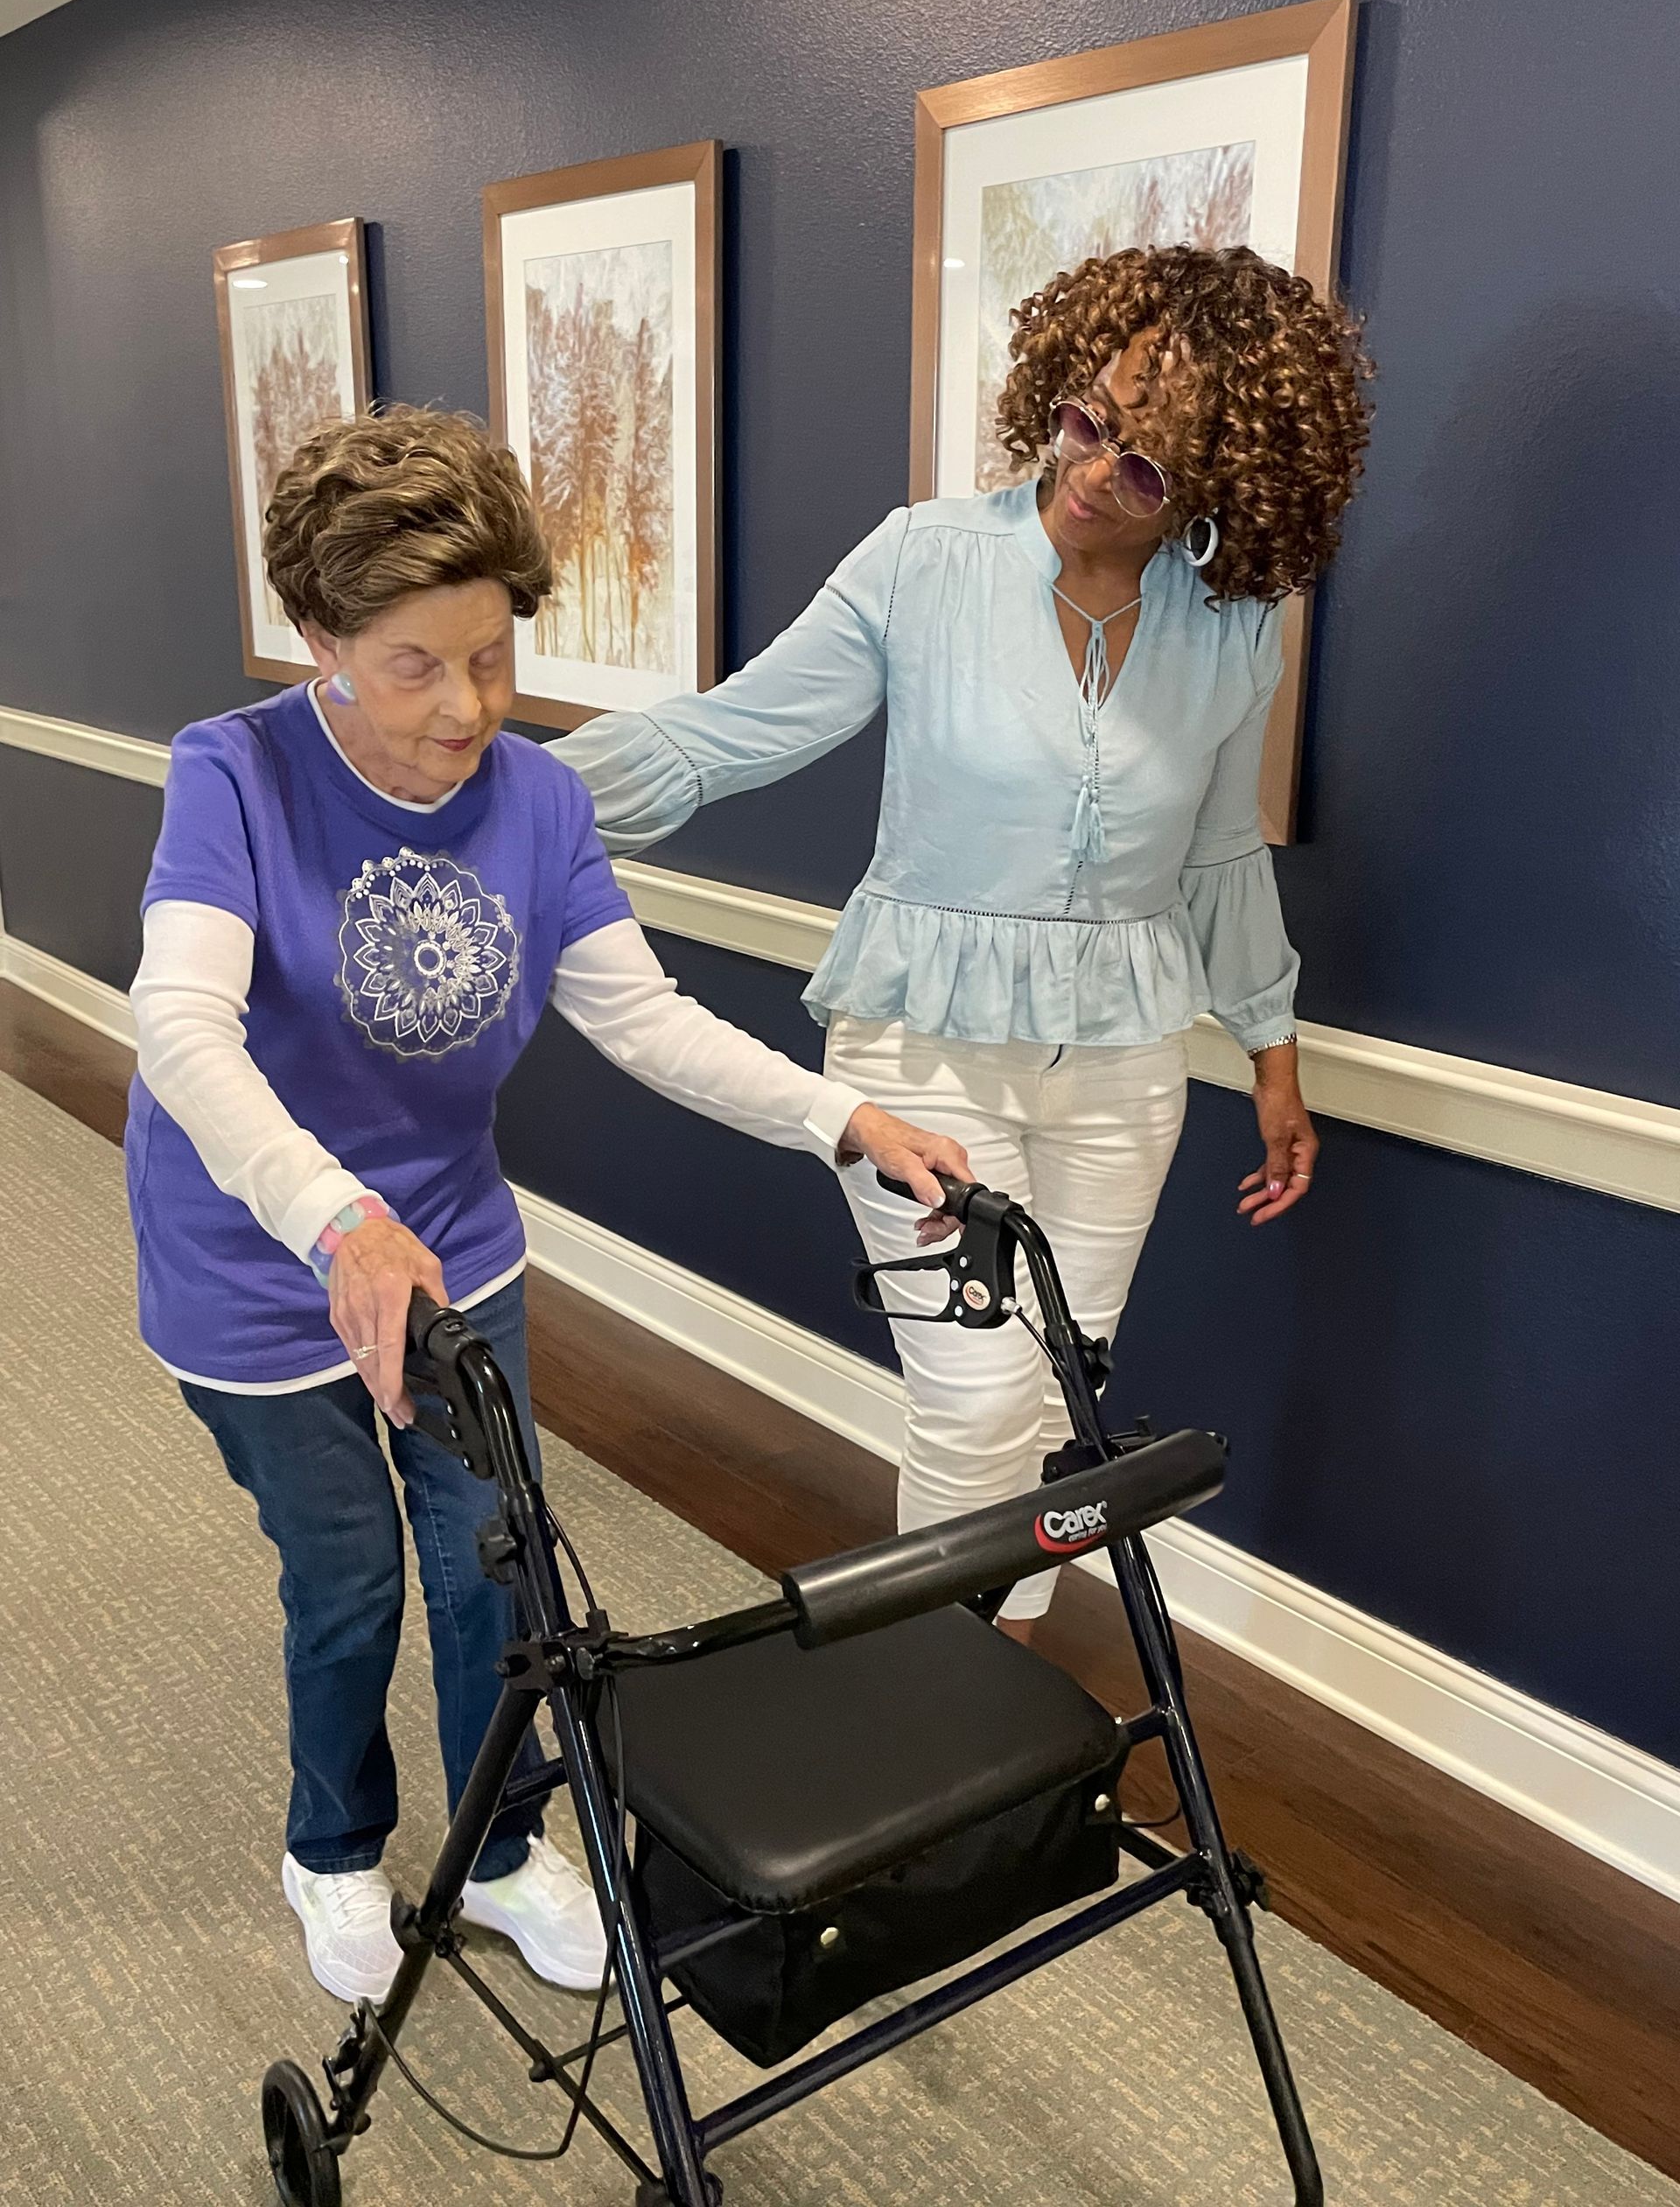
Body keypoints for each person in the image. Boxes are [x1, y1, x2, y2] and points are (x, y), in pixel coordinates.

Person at [125, 406, 970, 2007]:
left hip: (450, 1244)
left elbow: (643, 1020)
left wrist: (837, 1115)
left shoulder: (540, 803)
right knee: (353, 1573)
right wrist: (335, 1220)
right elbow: (182, 1027)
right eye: (414, 668)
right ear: (319, 642)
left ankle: (499, 1852)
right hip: (251, 1260)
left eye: (493, 658)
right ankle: (333, 1850)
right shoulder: (229, 776)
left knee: (489, 1559)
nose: (468, 711)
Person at [555, 244, 1374, 1641]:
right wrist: (513, 802)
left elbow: (1221, 855)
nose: (1091, 465)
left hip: (1123, 1061)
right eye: (1087, 417)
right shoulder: (926, 558)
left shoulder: (1236, 625)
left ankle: (993, 1681)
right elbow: (734, 731)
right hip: (920, 1038)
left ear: (1230, 490)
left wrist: (1273, 1053)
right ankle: (926, 1687)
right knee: (976, 1391)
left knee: (1059, 1386)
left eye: (1146, 464)